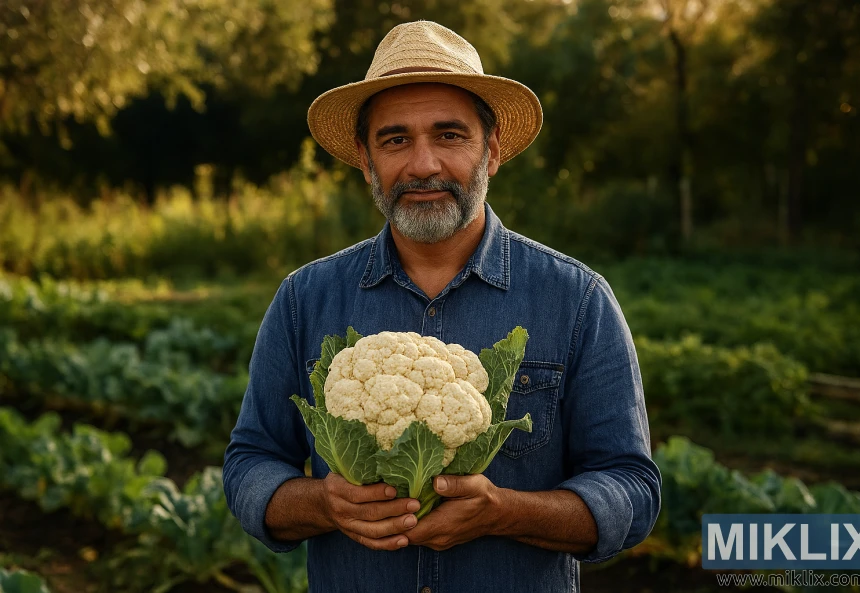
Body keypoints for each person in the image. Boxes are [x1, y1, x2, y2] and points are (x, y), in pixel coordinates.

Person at [223, 20, 661, 593]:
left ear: (493, 149)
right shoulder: (305, 300)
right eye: (395, 139)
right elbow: (250, 466)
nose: (423, 164)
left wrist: (505, 511)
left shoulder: (576, 299)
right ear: (365, 158)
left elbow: (631, 488)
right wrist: (323, 502)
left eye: (450, 135)